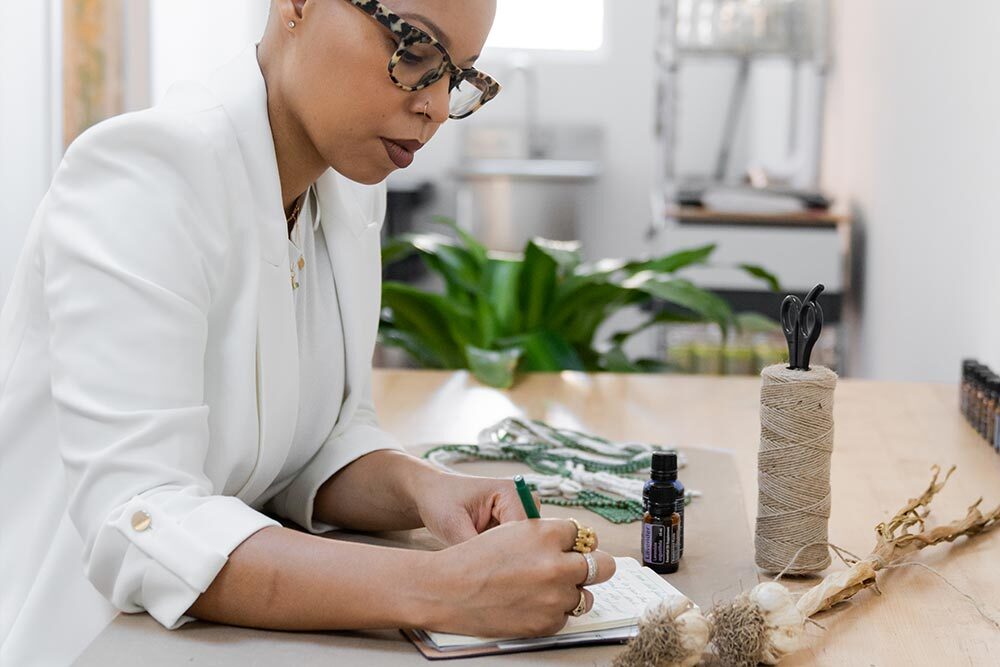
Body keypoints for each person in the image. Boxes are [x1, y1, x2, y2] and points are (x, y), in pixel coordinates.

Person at [0, 1, 616, 664]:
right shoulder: (144, 176)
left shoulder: (347, 188)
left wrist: (427, 489)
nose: (436, 107)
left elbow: (312, 443)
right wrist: (443, 586)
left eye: (458, 76)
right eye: (413, 50)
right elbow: (142, 522)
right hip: (85, 641)